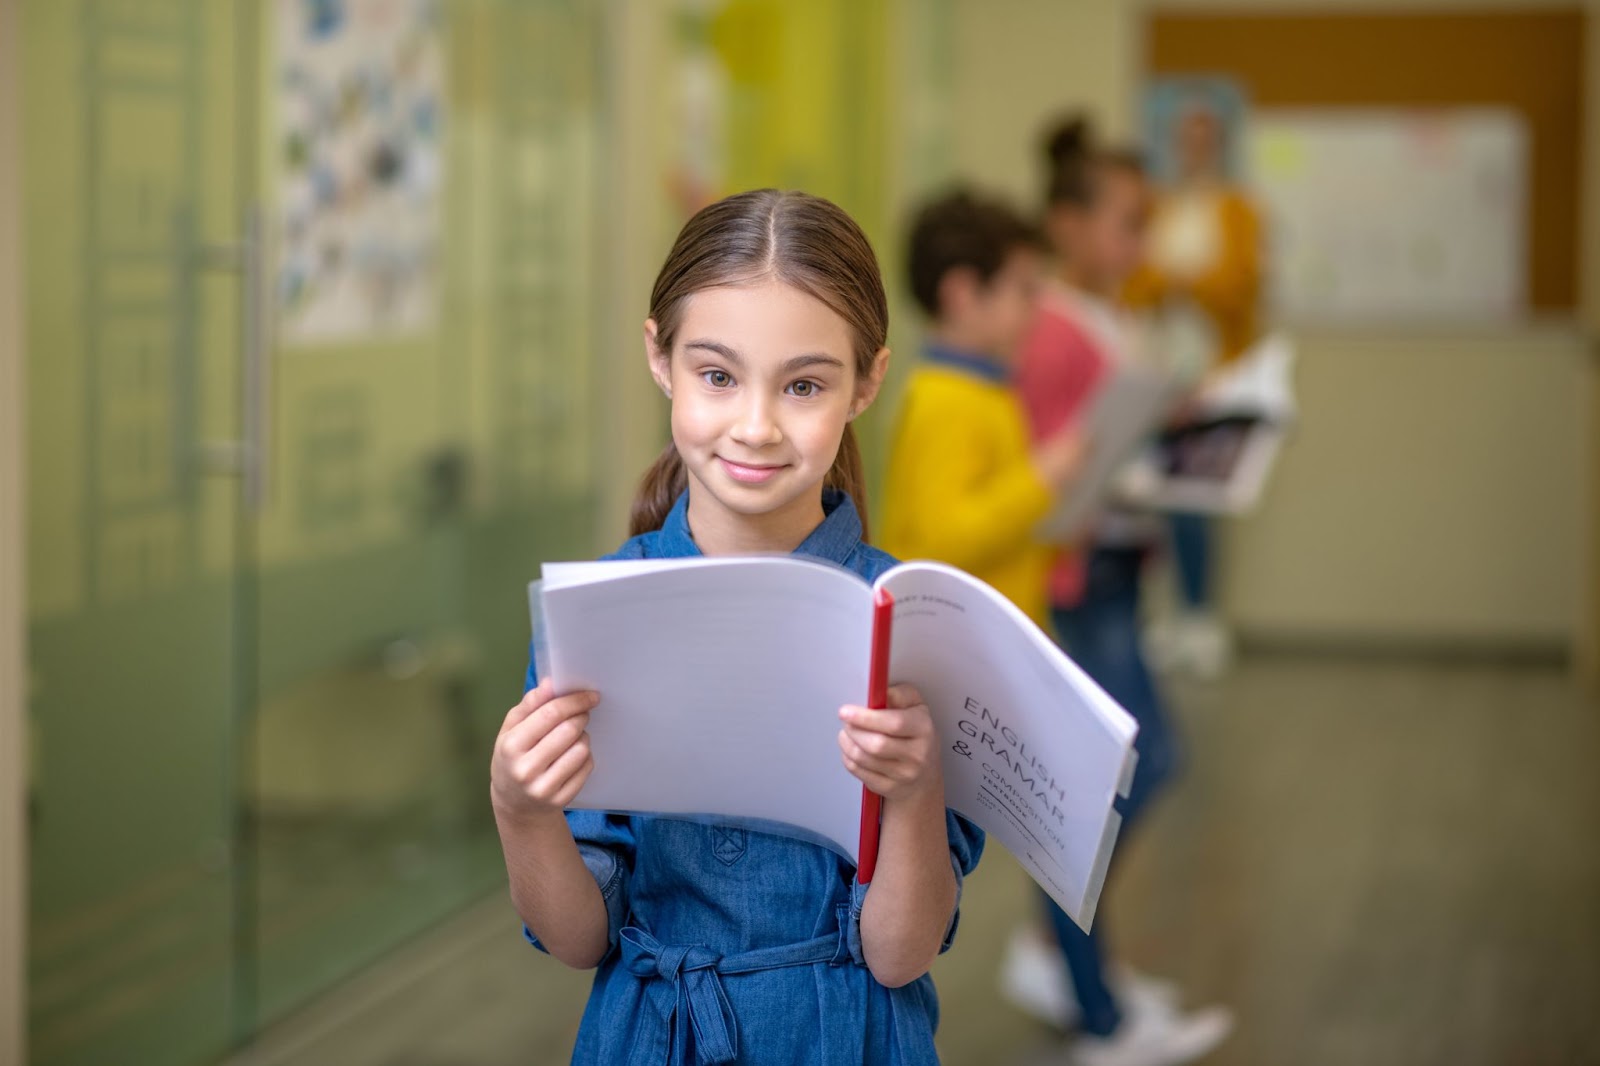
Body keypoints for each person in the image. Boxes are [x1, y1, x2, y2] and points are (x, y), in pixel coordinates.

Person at [490, 189, 983, 1065]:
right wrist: (520, 811)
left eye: (803, 385)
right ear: (661, 358)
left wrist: (912, 792)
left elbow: (899, 952)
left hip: (851, 1040)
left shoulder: (917, 630)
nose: (755, 427)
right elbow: (577, 940)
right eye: (717, 375)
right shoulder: (596, 613)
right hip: (650, 1039)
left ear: (866, 381)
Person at [1008, 116, 1232, 1066]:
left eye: (1145, 225)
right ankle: (1084, 992)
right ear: (1067, 224)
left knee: (1110, 781)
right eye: (1123, 224)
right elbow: (1053, 468)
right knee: (1117, 779)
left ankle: (1068, 960)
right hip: (1080, 580)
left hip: (1115, 572)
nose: (1137, 244)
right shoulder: (1054, 328)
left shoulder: (1112, 315)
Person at [879, 189, 1084, 630]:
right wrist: (1042, 478)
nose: (1037, 310)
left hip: (993, 634)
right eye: (1025, 290)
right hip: (959, 643)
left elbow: (1001, 522)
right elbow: (947, 537)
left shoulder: (986, 388)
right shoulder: (945, 397)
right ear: (963, 294)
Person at [1128, 96, 1266, 679]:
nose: (1196, 147)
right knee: (1160, 496)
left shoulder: (1238, 209)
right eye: (1188, 136)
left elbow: (1241, 286)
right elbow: (1137, 280)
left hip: (1217, 372)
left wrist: (1187, 281)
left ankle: (1203, 619)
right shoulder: (1157, 205)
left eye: (1206, 136)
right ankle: (1178, 621)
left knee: (1199, 498)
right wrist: (1175, 280)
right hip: (1161, 370)